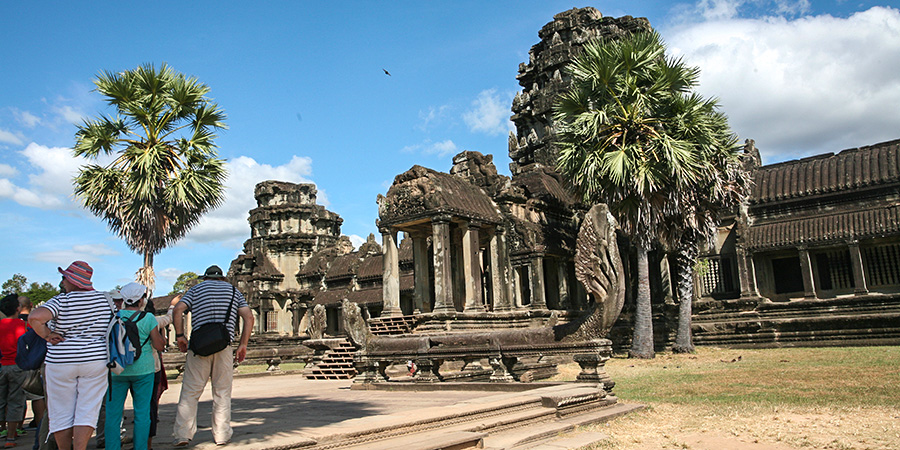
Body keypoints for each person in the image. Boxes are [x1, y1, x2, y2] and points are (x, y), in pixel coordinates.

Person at [28, 261, 114, 450]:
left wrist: (47, 335)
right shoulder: (104, 300)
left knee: (60, 411)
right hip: (95, 359)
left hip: (60, 361)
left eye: (64, 278)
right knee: (88, 409)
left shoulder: (60, 300)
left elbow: (35, 317)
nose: (62, 282)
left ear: (72, 281)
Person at [171, 266, 253, 447]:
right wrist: (243, 344)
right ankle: (222, 435)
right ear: (222, 278)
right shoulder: (233, 291)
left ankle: (183, 434)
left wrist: (180, 336)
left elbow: (177, 310)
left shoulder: (196, 290)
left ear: (205, 278)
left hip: (199, 346)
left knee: (190, 391)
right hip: (224, 345)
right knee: (222, 392)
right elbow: (248, 317)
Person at [104, 283, 164, 450]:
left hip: (117, 369)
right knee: (142, 413)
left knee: (113, 414)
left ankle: (112, 447)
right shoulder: (148, 318)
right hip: (143, 370)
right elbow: (159, 346)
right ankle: (141, 447)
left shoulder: (113, 317)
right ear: (142, 299)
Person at [0, 294, 28, 448]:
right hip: (18, 366)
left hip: (2, 365)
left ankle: (2, 429)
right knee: (15, 401)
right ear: (18, 309)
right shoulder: (23, 325)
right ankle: (11, 436)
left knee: (1, 400)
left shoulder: (0, 325)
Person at [18, 296, 45, 433]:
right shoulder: (33, 323)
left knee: (15, 399)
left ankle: (15, 427)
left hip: (17, 361)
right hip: (35, 362)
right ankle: (40, 424)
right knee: (37, 396)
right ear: (31, 305)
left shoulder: (11, 322)